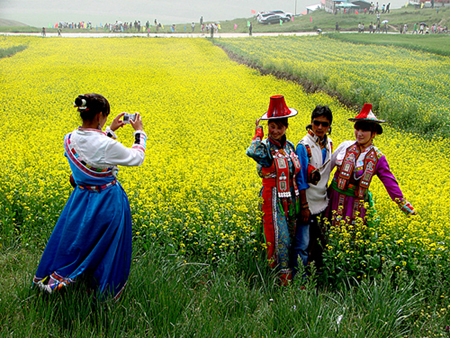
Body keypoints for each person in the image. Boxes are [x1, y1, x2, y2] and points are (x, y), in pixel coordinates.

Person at [33, 93, 147, 300]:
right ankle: (99, 288)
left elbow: (92, 153)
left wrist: (110, 131)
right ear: (99, 115)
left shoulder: (69, 138)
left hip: (81, 199)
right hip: (107, 202)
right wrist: (139, 133)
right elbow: (136, 158)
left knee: (79, 241)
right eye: (105, 117)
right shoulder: (106, 145)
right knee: (107, 247)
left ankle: (63, 279)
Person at [327, 103, 416, 228]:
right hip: (335, 199)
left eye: (365, 130)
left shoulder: (378, 158)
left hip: (356, 205)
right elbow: (327, 169)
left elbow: (390, 183)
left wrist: (405, 206)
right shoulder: (345, 146)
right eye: (358, 129)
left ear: (373, 133)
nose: (360, 133)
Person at [246, 95, 301, 285]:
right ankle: (279, 280)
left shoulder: (290, 146)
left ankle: (293, 276)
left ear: (286, 127)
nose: (275, 131)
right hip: (272, 198)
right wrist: (258, 133)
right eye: (272, 126)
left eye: (279, 127)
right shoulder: (264, 147)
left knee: (292, 238)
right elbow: (251, 151)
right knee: (280, 239)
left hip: (291, 199)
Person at [292, 106, 333, 276]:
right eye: (316, 123)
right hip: (307, 204)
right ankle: (299, 281)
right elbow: (300, 178)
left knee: (316, 244)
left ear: (329, 125)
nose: (320, 127)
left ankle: (313, 278)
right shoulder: (303, 146)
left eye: (324, 124)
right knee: (302, 244)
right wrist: (303, 206)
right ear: (311, 122)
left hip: (322, 203)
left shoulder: (329, 144)